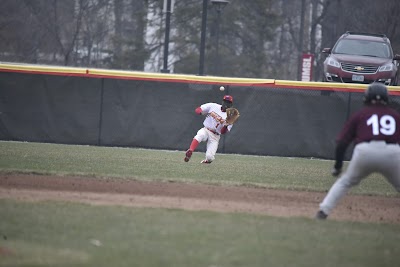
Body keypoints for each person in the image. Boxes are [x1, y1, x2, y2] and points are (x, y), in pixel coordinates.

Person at [316, 83, 400, 220]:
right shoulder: (395, 116)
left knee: (345, 182)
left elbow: (342, 143)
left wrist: (338, 167)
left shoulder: (361, 114)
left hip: (365, 151)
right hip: (391, 152)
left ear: (366, 98)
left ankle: (322, 212)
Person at [184, 95, 234, 164]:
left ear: (231, 105)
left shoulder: (230, 117)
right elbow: (198, 109)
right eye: (225, 102)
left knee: (210, 157)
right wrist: (201, 112)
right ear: (222, 102)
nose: (226, 104)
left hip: (215, 136)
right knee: (200, 135)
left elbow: (222, 132)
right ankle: (190, 150)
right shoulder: (213, 106)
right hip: (206, 129)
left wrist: (225, 125)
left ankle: (206, 161)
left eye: (228, 103)